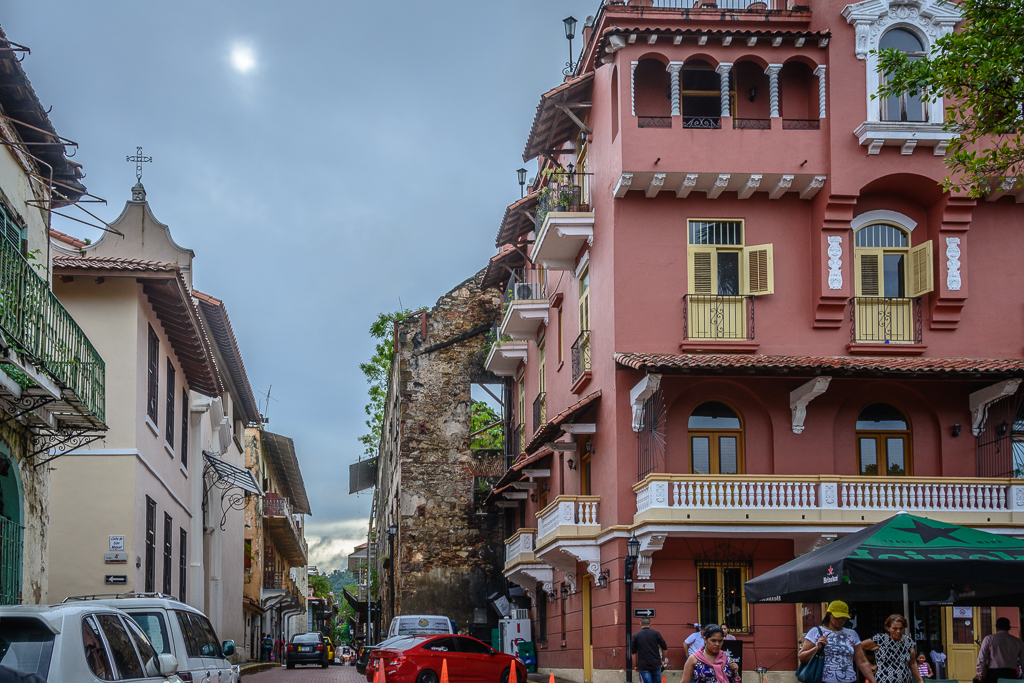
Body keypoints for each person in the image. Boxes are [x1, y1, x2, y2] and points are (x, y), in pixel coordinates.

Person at [798, 600, 876, 683]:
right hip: (823, 680)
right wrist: (816, 648)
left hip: (850, 680)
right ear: (829, 615)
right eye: (837, 617)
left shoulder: (852, 634)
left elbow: (862, 662)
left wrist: (873, 681)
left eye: (843, 618)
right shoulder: (816, 632)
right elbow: (802, 658)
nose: (840, 620)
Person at [861, 615, 923, 683]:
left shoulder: (908, 641)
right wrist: (869, 665)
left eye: (901, 628)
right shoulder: (881, 639)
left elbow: (913, 663)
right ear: (888, 628)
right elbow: (860, 647)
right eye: (895, 628)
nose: (898, 631)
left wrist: (920, 680)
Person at [977, 617, 1024, 683]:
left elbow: (982, 659)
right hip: (1011, 673)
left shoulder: (988, 639)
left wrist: (980, 674)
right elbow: (1023, 661)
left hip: (993, 674)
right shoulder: (1018, 642)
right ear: (1009, 628)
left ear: (997, 627)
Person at [632, 617, 669, 683]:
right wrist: (662, 660)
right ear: (650, 624)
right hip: (656, 664)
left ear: (640, 624)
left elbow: (633, 652)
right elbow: (664, 648)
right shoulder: (656, 634)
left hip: (643, 665)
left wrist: (635, 665)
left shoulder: (636, 635)